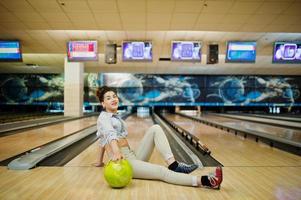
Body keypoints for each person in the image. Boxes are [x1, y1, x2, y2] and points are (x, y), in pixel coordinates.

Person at [94, 86, 223, 189]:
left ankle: (173, 164)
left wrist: (99, 162)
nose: (113, 99)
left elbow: (101, 139)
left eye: (115, 96)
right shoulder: (104, 118)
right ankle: (206, 181)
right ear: (103, 103)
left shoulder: (114, 118)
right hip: (123, 162)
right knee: (162, 172)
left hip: (132, 156)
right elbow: (110, 134)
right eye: (109, 98)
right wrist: (116, 152)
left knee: (155, 128)